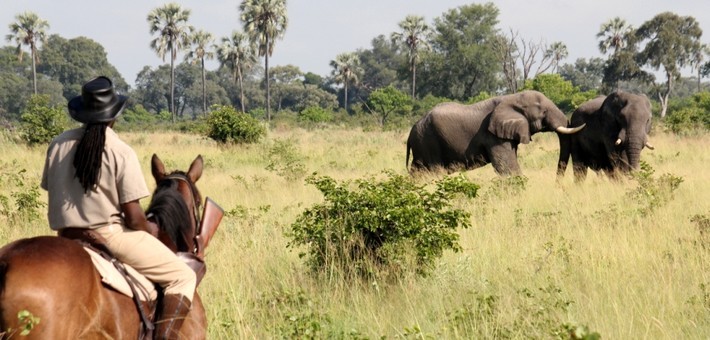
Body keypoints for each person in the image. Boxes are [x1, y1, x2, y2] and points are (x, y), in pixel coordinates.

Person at [41, 76, 196, 339]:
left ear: (82, 113)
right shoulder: (120, 150)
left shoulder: (57, 144)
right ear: (114, 115)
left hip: (64, 236)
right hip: (110, 237)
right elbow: (134, 219)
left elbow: (51, 188)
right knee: (183, 276)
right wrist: (150, 228)